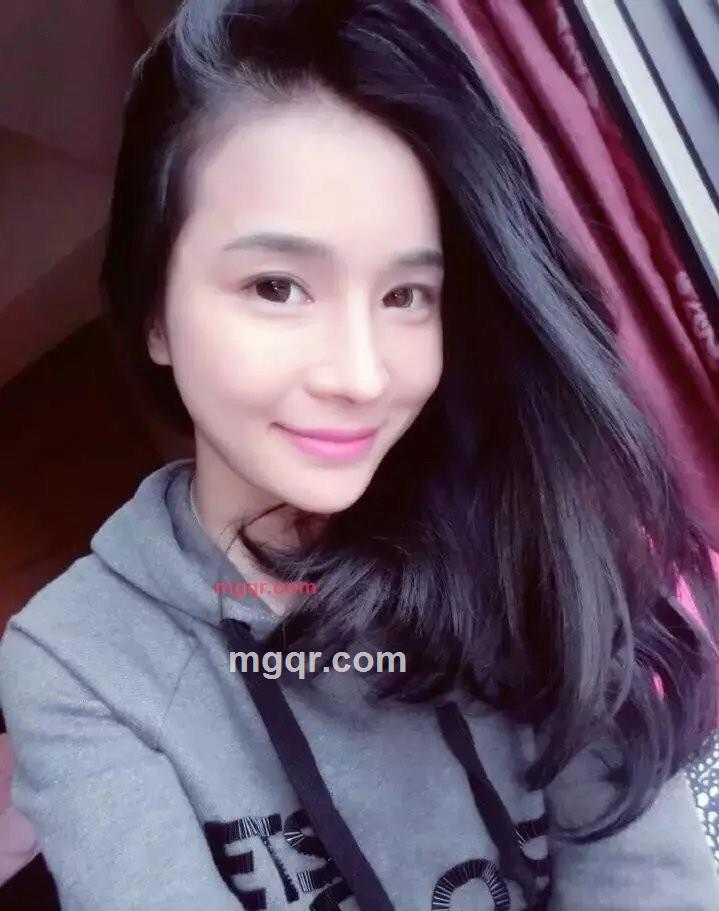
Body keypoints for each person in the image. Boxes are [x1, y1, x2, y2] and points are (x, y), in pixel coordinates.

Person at [1, 1, 718, 908]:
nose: (362, 374)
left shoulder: (518, 519)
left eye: (406, 294)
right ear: (154, 313)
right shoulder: (78, 660)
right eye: (277, 285)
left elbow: (646, 879)